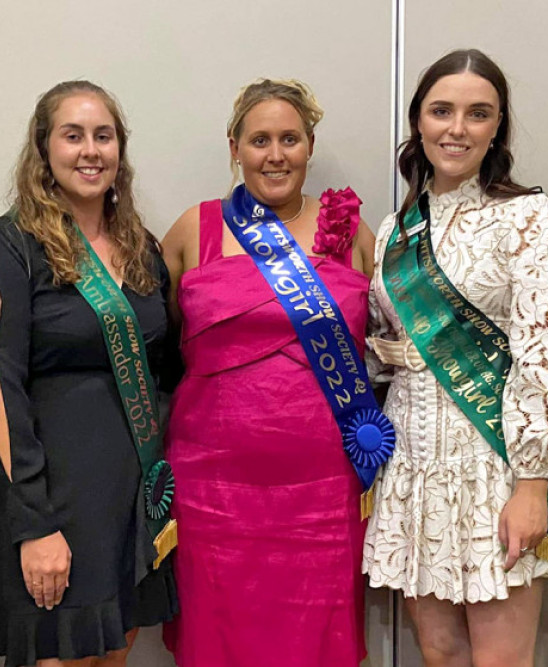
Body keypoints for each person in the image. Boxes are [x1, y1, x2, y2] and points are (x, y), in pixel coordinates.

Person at [362, 49, 548, 667]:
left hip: (496, 466)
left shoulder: (526, 218)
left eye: (477, 113)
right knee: (439, 652)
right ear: (418, 121)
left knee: (500, 659)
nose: (456, 128)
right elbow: (384, 345)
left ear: (498, 128)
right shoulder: (396, 230)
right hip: (414, 463)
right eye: (442, 111)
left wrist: (533, 482)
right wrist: (385, 353)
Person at [161, 78, 379, 667]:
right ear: (234, 147)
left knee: (318, 639)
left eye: (290, 139)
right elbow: (156, 351)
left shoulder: (352, 233)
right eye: (260, 140)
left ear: (310, 146)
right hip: (213, 489)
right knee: (219, 640)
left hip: (324, 489)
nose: (275, 155)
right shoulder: (193, 230)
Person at [0, 80, 178, 667]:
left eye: (103, 136)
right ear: (44, 149)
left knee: (114, 656)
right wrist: (34, 525)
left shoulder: (141, 248)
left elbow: (167, 368)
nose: (90, 151)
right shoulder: (7, 246)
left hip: (129, 501)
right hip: (52, 503)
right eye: (73, 135)